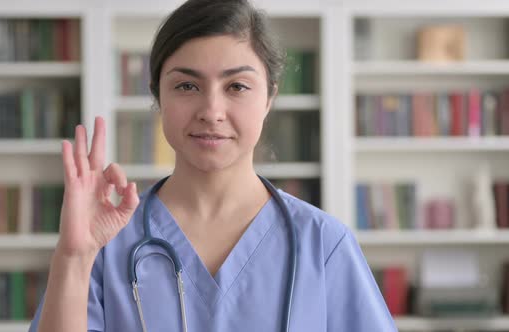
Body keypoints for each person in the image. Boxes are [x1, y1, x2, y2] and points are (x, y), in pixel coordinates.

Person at [28, 0, 396, 331]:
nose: (211, 112)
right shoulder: (105, 243)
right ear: (158, 96)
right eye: (187, 86)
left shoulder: (323, 243)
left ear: (269, 98)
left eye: (236, 86)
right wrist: (74, 257)